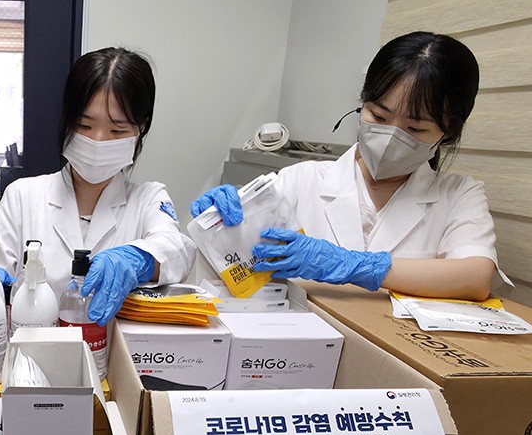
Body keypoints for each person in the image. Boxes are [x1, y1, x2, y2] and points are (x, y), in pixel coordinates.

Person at [192, 31, 505, 302]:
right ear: (361, 104)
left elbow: (475, 278)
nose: (390, 137)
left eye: (415, 128)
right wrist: (220, 227)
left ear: (447, 132)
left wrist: (356, 265)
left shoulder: (459, 195)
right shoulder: (302, 180)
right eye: (378, 116)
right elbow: (230, 271)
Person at [0, 47, 195, 326]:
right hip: (32, 350)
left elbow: (177, 252)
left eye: (117, 130)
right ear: (67, 119)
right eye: (84, 126)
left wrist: (138, 259)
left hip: (114, 352)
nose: (98, 140)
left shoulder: (148, 199)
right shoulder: (22, 197)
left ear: (141, 127)